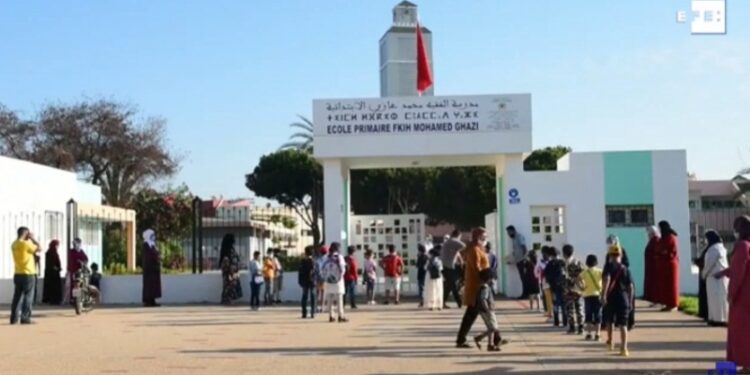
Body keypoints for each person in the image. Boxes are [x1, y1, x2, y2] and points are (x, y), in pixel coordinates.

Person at [721, 215, 750, 371]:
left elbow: (739, 272)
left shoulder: (743, 246)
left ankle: (747, 363)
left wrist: (731, 295)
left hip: (743, 297)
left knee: (742, 332)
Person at [456, 227, 491, 348]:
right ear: (477, 237)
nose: (485, 239)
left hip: (479, 284)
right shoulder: (474, 250)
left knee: (472, 314)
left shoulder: (479, 249)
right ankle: (495, 337)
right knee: (485, 313)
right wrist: (484, 280)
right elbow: (477, 269)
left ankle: (461, 339)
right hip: (476, 286)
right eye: (483, 237)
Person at [602, 244, 634, 357]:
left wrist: (603, 295)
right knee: (623, 325)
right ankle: (624, 348)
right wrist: (630, 302)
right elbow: (630, 287)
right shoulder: (625, 269)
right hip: (623, 298)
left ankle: (610, 342)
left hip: (611, 298)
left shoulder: (608, 267)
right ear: (620, 255)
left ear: (610, 255)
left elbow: (607, 280)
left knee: (609, 321)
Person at [10, 227, 41, 325]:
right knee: (28, 296)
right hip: (28, 273)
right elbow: (40, 248)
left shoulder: (14, 244)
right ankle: (25, 318)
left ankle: (14, 318)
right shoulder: (26, 244)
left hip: (18, 273)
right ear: (26, 234)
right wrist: (33, 238)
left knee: (17, 297)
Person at [473, 269, 506, 352]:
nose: (494, 280)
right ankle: (479, 338)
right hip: (487, 311)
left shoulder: (484, 286)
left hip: (486, 310)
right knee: (493, 328)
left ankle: (490, 345)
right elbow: (483, 299)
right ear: (488, 278)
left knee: (490, 327)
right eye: (493, 278)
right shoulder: (485, 288)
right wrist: (487, 309)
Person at [700, 230, 728, 326]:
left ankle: (718, 319)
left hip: (714, 277)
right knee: (718, 299)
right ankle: (716, 318)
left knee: (716, 299)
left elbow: (709, 265)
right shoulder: (721, 248)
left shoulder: (713, 249)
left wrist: (703, 274)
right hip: (719, 277)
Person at [655, 220, 680, 312]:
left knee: (672, 285)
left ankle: (673, 304)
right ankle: (667, 303)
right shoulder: (664, 237)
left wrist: (662, 253)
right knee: (665, 286)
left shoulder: (671, 237)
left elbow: (672, 251)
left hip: (671, 264)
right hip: (664, 264)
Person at [322, 242, 347, 323]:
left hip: (328, 280)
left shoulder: (326, 257)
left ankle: (331, 316)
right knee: (339, 298)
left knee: (329, 298)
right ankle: (341, 315)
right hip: (338, 281)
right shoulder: (339, 257)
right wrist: (340, 277)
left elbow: (322, 269)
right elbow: (343, 269)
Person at [563, 244, 584, 335]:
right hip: (578, 289)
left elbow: (562, 277)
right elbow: (583, 275)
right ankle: (581, 327)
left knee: (570, 309)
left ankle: (572, 327)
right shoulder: (578, 262)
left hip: (568, 289)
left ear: (564, 253)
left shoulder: (563, 264)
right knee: (579, 308)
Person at [543, 246, 567, 327]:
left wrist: (550, 282)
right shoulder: (563, 262)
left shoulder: (550, 263)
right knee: (564, 305)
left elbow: (546, 274)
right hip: (563, 287)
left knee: (556, 304)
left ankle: (556, 321)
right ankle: (565, 321)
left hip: (554, 288)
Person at [582, 254, 603, 341]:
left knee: (588, 315)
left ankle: (589, 333)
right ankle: (598, 334)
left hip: (587, 295)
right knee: (598, 315)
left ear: (587, 262)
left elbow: (577, 279)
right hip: (597, 295)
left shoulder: (584, 272)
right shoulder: (599, 271)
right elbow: (605, 279)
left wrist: (581, 287)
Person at [441, 230, 464, 309]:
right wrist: (457, 250)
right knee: (453, 285)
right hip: (449, 267)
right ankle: (459, 302)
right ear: (458, 235)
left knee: (449, 285)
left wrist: (455, 250)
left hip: (445, 266)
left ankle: (442, 302)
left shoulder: (447, 242)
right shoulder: (454, 241)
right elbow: (464, 246)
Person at [506, 225, 529, 299]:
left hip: (522, 261)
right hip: (518, 261)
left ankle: (525, 295)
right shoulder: (513, 239)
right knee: (522, 278)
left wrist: (524, 259)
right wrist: (510, 260)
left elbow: (524, 249)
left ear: (512, 231)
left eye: (509, 232)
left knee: (524, 278)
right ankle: (525, 294)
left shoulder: (519, 237)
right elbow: (515, 251)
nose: (508, 234)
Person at [141, 229, 162, 307]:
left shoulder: (152, 244)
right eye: (152, 235)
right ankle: (147, 301)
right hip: (149, 269)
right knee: (149, 285)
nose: (154, 237)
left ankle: (153, 300)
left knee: (154, 286)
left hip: (154, 269)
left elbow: (156, 253)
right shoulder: (146, 245)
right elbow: (149, 256)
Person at [219, 234, 242, 305]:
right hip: (229, 272)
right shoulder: (227, 251)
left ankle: (229, 299)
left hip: (233, 272)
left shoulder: (231, 250)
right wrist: (230, 272)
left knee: (231, 287)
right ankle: (227, 300)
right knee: (228, 286)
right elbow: (226, 263)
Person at [42, 239, 63, 305]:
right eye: (57, 245)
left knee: (52, 287)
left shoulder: (51, 252)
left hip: (51, 272)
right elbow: (51, 263)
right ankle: (54, 300)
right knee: (54, 287)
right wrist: (57, 268)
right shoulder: (50, 253)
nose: (57, 246)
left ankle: (52, 300)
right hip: (52, 273)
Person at [644, 226, 660, 306]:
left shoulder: (656, 241)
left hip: (655, 268)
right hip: (651, 267)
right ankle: (654, 300)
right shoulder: (652, 241)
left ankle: (657, 300)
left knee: (656, 285)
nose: (648, 235)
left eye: (649, 233)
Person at [299, 246, 316, 318]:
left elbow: (300, 272)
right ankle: (312, 312)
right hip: (312, 281)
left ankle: (304, 313)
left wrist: (300, 281)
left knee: (304, 296)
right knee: (313, 296)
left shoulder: (303, 261)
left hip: (304, 281)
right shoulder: (313, 261)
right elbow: (315, 271)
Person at [537, 246, 553, 319]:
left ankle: (549, 312)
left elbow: (536, 271)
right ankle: (550, 311)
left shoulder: (541, 261)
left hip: (545, 281)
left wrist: (539, 275)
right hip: (551, 281)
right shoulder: (552, 261)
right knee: (549, 297)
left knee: (547, 297)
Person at [315, 246, 329, 312]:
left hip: (318, 277)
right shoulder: (327, 259)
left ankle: (316, 306)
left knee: (317, 292)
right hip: (324, 277)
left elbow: (316, 269)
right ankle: (322, 307)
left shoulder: (317, 259)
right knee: (323, 292)